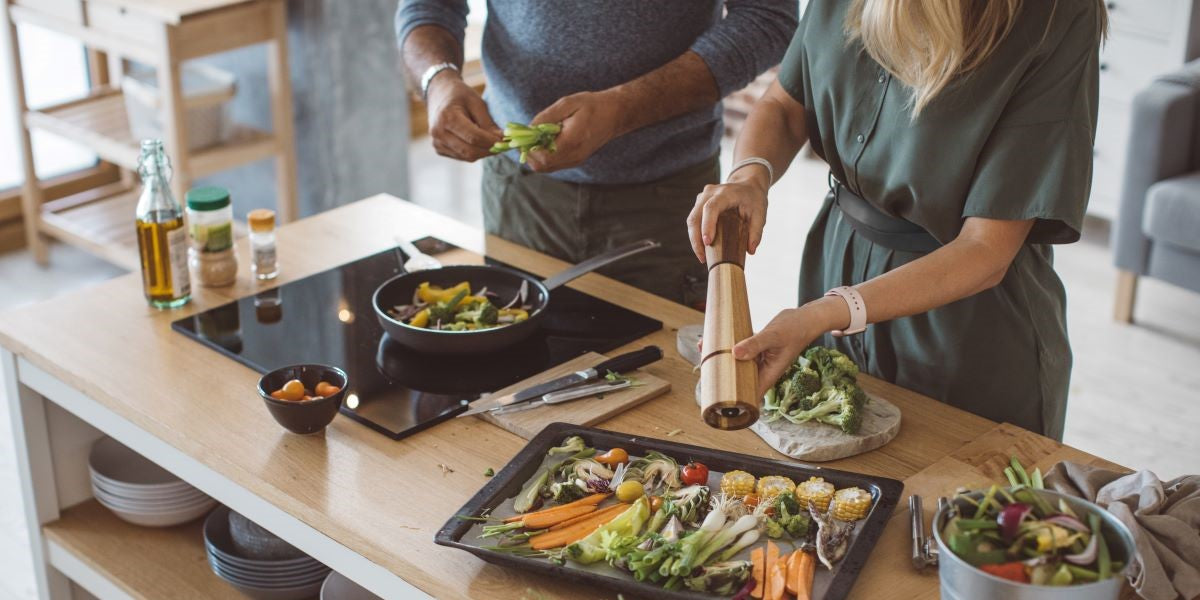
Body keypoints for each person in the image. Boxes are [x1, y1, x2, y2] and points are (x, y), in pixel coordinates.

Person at [688, 0, 1108, 440]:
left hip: (964, 318)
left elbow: (986, 249)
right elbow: (783, 102)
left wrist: (824, 314)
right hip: (836, 260)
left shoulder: (1057, 15)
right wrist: (750, 176)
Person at [396, 2, 797, 306]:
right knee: (513, 360)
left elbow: (767, 18)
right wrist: (437, 79)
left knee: (666, 377)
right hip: (518, 192)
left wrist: (624, 109)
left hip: (668, 201)